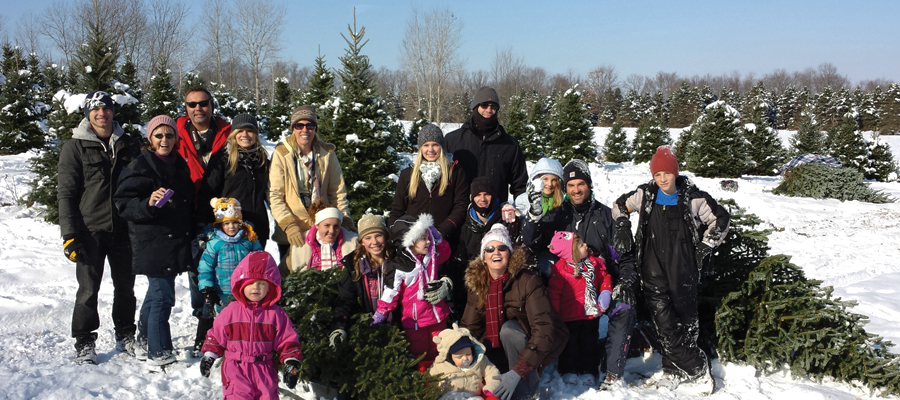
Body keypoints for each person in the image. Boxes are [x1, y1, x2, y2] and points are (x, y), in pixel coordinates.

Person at [611, 145, 730, 394]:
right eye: (657, 174)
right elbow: (620, 205)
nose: (662, 179)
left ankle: (673, 369)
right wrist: (622, 224)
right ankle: (698, 368)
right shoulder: (645, 195)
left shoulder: (693, 198)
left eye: (666, 173)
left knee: (686, 322)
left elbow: (721, 219)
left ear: (675, 173)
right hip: (652, 271)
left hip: (684, 271)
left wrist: (705, 247)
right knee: (665, 325)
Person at [521, 159, 637, 389]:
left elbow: (624, 256)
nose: (575, 190)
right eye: (571, 185)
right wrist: (534, 218)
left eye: (580, 184)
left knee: (624, 308)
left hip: (602, 283)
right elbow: (531, 242)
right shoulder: (557, 215)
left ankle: (611, 371)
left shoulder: (605, 217)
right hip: (566, 289)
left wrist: (624, 281)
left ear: (589, 185)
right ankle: (559, 362)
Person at [58, 90, 141, 364]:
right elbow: (66, 194)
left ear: (112, 112)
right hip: (90, 231)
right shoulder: (75, 147)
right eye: (95, 110)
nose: (101, 114)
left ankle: (126, 333)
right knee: (88, 289)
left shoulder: (129, 145)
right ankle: (84, 340)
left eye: (105, 108)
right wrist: (69, 235)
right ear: (88, 114)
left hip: (124, 230)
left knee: (125, 288)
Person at [114, 115, 194, 368]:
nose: (164, 140)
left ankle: (145, 339)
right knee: (163, 296)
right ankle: (158, 352)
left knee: (156, 292)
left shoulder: (178, 164)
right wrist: (148, 202)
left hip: (174, 239)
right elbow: (123, 204)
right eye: (159, 135)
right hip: (151, 241)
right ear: (150, 139)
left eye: (169, 135)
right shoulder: (139, 166)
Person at [460, 224, 568, 400]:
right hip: (497, 347)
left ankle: (527, 393)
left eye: (502, 248)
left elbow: (543, 329)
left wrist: (519, 371)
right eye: (489, 249)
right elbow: (469, 327)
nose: (496, 252)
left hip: (532, 344)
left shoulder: (527, 280)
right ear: (483, 257)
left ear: (509, 253)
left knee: (509, 330)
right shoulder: (477, 285)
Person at [174, 86, 232, 358]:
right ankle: (205, 325)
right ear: (185, 108)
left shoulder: (229, 134)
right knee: (199, 272)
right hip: (191, 216)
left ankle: (231, 325)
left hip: (225, 218)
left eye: (203, 103)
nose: (198, 108)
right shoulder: (175, 135)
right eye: (192, 104)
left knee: (229, 272)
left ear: (212, 104)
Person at [199, 251, 304, 399]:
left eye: (262, 283)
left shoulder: (275, 314)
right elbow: (216, 336)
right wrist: (209, 356)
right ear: (241, 285)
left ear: (270, 287)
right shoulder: (231, 311)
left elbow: (288, 340)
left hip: (265, 368)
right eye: (251, 283)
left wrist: (291, 362)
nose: (256, 287)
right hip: (236, 369)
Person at [270, 105, 353, 271]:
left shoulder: (326, 153)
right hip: (294, 233)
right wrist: (289, 225)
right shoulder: (281, 154)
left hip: (324, 230)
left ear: (315, 128)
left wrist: (343, 219)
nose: (304, 130)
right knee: (294, 277)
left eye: (310, 125)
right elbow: (275, 196)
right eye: (299, 125)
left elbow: (337, 191)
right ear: (293, 128)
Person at [371, 214, 452, 363]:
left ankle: (443, 380)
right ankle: (422, 380)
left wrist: (437, 237)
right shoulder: (399, 266)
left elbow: (446, 253)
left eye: (429, 237)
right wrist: (381, 312)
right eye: (423, 238)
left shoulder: (431, 256)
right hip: (415, 321)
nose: (428, 241)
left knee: (441, 350)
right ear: (410, 241)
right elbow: (391, 292)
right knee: (419, 354)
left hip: (438, 315)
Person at [547, 231, 613, 386]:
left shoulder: (594, 263)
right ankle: (569, 370)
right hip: (568, 317)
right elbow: (554, 295)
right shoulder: (560, 270)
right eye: (581, 245)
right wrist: (555, 317)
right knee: (570, 345)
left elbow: (605, 277)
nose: (586, 245)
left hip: (590, 315)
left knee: (589, 344)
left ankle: (589, 370)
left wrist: (605, 291)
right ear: (572, 253)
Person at [444, 87, 527, 205]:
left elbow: (520, 185)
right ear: (476, 106)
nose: (489, 110)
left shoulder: (510, 144)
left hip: (495, 214)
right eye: (484, 105)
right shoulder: (453, 140)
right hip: (460, 214)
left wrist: (522, 210)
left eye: (493, 107)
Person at [200, 113, 271, 249]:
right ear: (234, 134)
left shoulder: (263, 162)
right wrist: (204, 225)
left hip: (257, 229)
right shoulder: (222, 159)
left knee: (255, 268)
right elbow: (207, 193)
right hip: (229, 229)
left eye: (250, 130)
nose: (245, 135)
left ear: (256, 134)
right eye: (240, 131)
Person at [389, 123, 469, 244]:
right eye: (426, 145)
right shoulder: (408, 174)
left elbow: (461, 206)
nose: (430, 150)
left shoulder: (455, 172)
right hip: (413, 242)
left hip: (444, 240)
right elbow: (397, 209)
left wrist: (442, 231)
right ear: (420, 148)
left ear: (441, 147)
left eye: (435, 145)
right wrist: (397, 236)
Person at [329, 214, 398, 349]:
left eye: (378, 235)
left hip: (398, 327)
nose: (374, 242)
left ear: (386, 236)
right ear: (361, 242)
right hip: (370, 328)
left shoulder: (398, 261)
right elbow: (345, 299)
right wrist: (339, 327)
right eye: (368, 238)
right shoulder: (354, 265)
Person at [197, 197, 263, 321]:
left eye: (235, 223)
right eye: (227, 223)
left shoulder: (249, 240)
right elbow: (206, 267)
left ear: (241, 223)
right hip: (223, 292)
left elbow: (260, 261)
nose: (231, 227)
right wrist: (208, 289)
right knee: (225, 321)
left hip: (246, 290)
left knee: (246, 320)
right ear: (221, 225)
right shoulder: (215, 243)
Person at [514, 157, 565, 280]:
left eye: (554, 180)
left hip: (554, 258)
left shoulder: (562, 204)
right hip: (531, 257)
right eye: (545, 179)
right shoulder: (523, 202)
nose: (549, 184)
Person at [429, 323, 501, 399]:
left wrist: (491, 386)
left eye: (468, 354)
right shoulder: (441, 365)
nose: (465, 358)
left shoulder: (480, 361)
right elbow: (431, 378)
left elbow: (492, 372)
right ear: (450, 358)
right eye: (459, 357)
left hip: (472, 395)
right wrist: (435, 392)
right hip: (450, 394)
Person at [289, 202, 358, 272]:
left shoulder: (351, 242)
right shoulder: (301, 244)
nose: (331, 231)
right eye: (327, 225)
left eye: (336, 226)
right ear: (317, 225)